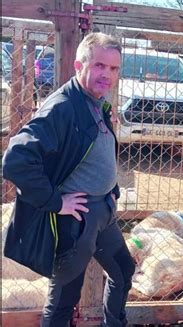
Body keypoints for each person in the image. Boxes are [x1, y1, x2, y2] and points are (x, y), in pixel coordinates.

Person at [2, 32, 135, 327]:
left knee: (123, 271)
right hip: (76, 221)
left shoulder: (97, 101)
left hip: (104, 213)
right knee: (63, 301)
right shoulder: (62, 106)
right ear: (79, 65)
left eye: (114, 68)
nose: (107, 75)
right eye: (99, 65)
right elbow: (15, 160)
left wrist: (110, 188)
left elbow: (92, 151)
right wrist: (55, 201)